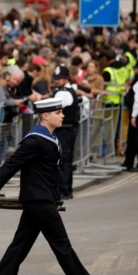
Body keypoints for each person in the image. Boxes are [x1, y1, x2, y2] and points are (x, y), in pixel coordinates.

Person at [0, 97, 106, 275]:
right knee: (62, 245)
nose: (62, 115)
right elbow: (13, 164)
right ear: (45, 116)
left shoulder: (49, 137)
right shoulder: (36, 139)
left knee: (20, 245)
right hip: (38, 201)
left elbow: (48, 174)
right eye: (58, 113)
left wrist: (56, 198)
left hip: (41, 199)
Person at [51, 65, 79, 200]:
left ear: (66, 78)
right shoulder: (67, 90)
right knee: (64, 160)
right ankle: (65, 189)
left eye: (60, 78)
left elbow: (53, 108)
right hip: (66, 130)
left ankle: (64, 190)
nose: (57, 81)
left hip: (65, 130)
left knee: (63, 161)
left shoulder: (64, 92)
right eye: (56, 78)